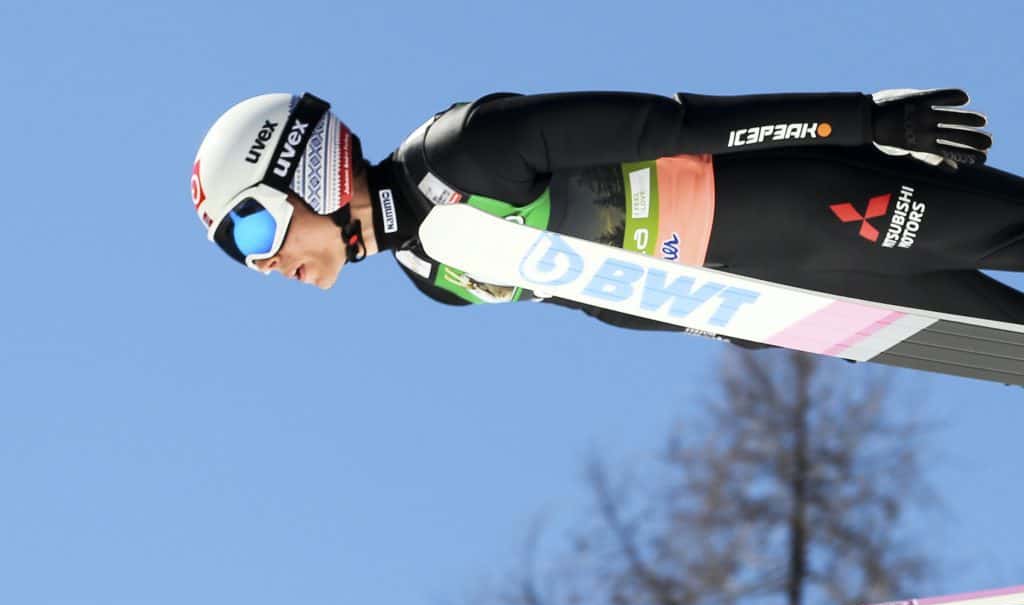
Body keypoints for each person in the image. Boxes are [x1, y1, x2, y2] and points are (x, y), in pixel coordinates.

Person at [189, 88, 1024, 338]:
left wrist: (865, 119)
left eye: (254, 228)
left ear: (305, 169)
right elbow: (602, 296)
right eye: (241, 254)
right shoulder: (434, 276)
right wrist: (737, 326)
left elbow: (682, 123)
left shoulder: (465, 150)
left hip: (804, 201)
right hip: (792, 288)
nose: (265, 264)